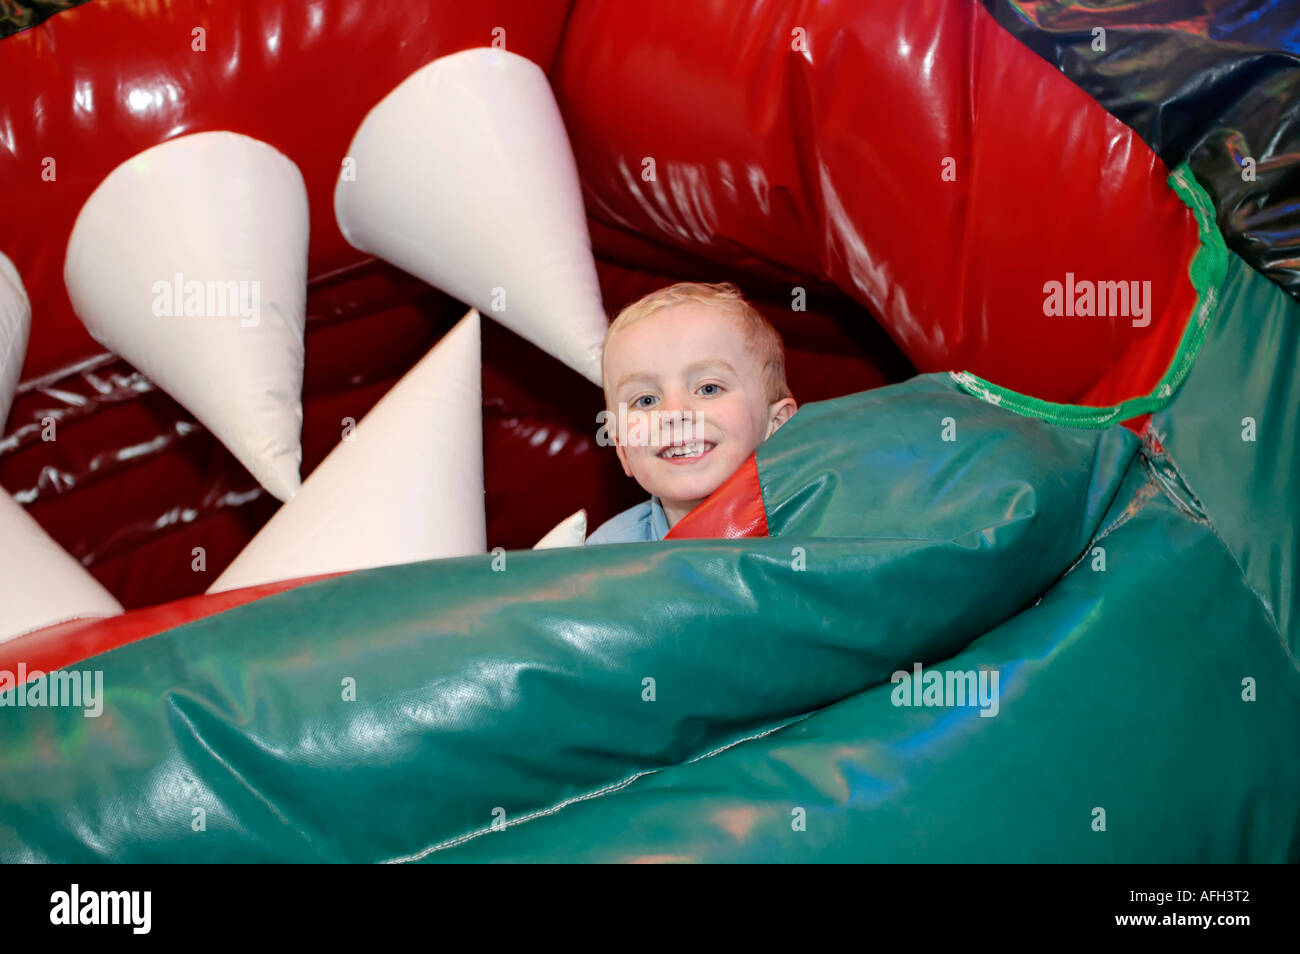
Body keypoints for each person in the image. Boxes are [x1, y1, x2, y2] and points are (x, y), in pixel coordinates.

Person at [586, 281, 797, 545]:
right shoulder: (605, 559)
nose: (674, 413)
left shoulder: (816, 532)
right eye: (646, 400)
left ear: (776, 425)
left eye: (708, 389)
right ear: (622, 449)